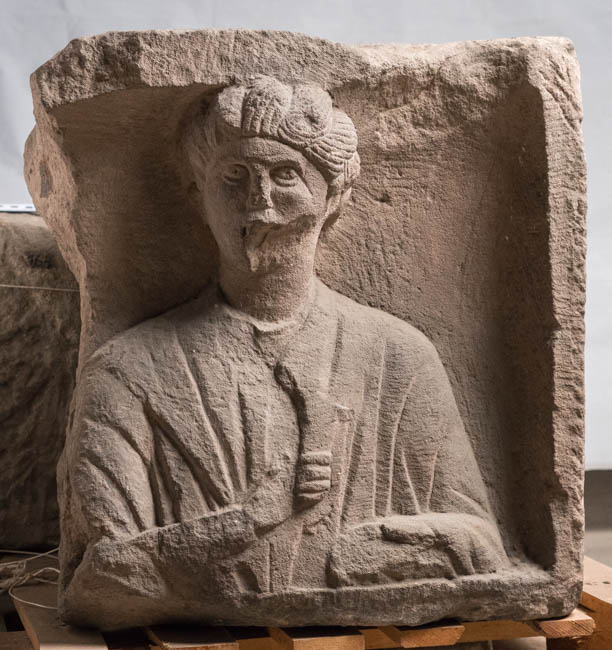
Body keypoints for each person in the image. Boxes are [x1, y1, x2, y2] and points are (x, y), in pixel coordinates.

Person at [57, 75, 508, 629]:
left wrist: (359, 552)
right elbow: (105, 578)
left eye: (286, 175)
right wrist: (248, 520)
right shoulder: (129, 371)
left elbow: (482, 546)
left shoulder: (398, 357)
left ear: (334, 197)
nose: (260, 201)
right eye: (235, 176)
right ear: (199, 197)